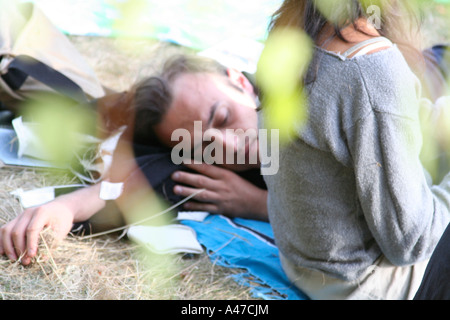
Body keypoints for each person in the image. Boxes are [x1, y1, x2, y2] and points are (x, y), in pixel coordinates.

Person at [259, 0, 450, 300]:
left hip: (303, 267)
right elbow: (411, 242)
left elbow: (369, 119)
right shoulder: (371, 67)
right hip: (368, 284)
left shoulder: (291, 30)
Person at [0, 52, 267, 266]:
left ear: (242, 83)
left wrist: (258, 204)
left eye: (223, 118)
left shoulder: (303, 101)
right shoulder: (197, 153)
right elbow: (155, 170)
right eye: (202, 145)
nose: (228, 145)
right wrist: (66, 207)